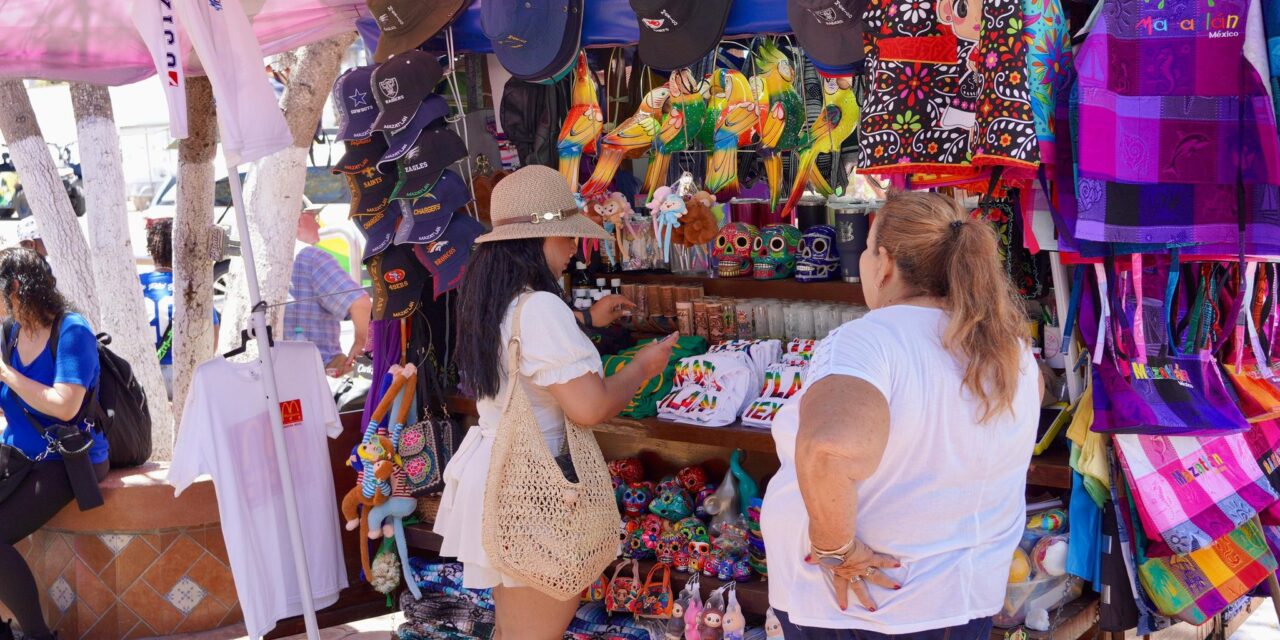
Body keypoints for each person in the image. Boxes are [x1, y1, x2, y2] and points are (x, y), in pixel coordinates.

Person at [761, 192, 1042, 639]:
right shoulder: (1011, 350)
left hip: (862, 611)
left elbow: (828, 447)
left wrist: (836, 551)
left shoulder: (868, 340)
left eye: (867, 248)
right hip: (959, 602)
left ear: (885, 263)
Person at [434, 165, 677, 640]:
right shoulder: (541, 307)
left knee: (515, 629)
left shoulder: (492, 300)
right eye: (566, 237)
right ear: (535, 241)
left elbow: (524, 349)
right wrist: (642, 368)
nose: (572, 248)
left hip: (500, 475)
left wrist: (581, 321)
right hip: (537, 487)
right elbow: (589, 408)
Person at [0, 247, 107, 640]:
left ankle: (38, 635)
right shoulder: (10, 333)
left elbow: (65, 406)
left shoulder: (71, 330)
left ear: (15, 287)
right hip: (17, 455)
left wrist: (5, 373)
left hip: (66, 459)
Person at [285, 205, 372, 377]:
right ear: (298, 219)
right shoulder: (310, 257)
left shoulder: (263, 259)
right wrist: (361, 344)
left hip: (278, 371)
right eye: (314, 217)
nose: (319, 225)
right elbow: (360, 303)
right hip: (318, 372)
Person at [139, 217, 219, 399]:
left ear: (152, 250)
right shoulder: (193, 286)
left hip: (146, 371)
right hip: (185, 372)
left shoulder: (137, 283)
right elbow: (212, 336)